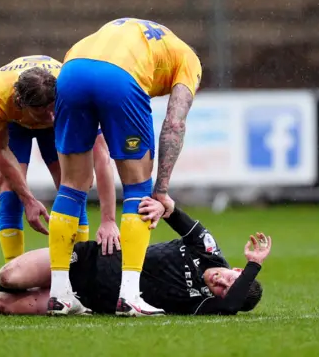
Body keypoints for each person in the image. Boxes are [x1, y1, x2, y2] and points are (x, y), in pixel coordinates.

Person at [0, 198, 271, 317]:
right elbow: (176, 212)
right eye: (226, 278)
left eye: (221, 290)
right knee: (8, 276)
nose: (218, 284)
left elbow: (234, 303)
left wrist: (256, 267)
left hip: (91, 301)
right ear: (232, 267)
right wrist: (163, 205)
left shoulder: (208, 304)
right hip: (90, 259)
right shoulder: (208, 250)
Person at [46, 18, 203, 316]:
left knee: (72, 186)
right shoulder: (189, 61)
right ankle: (129, 295)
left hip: (71, 70)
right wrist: (162, 191)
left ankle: (60, 294)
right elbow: (174, 122)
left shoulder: (140, 34)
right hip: (120, 78)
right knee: (138, 189)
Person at [0, 55, 119, 265]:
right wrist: (29, 200)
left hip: (63, 120)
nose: (49, 115)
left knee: (76, 190)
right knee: (10, 194)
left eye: (51, 107)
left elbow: (102, 156)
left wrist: (108, 218)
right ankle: (13, 273)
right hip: (14, 126)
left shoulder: (72, 92)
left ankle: (81, 270)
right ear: (21, 102)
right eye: (41, 110)